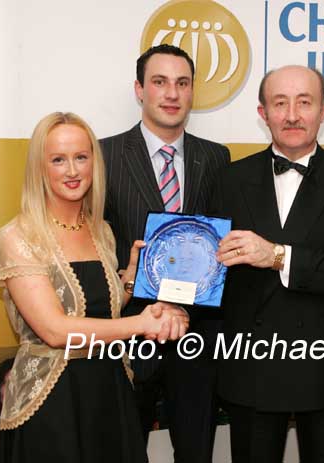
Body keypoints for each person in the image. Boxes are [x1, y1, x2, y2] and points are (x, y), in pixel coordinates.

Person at [211, 65, 324, 463]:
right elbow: (211, 267)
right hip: (249, 366)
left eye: (304, 102)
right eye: (280, 103)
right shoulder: (229, 179)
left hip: (323, 369)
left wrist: (276, 256)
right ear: (263, 112)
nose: (292, 114)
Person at [0, 112, 189, 462]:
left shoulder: (102, 230)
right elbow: (55, 330)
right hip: (53, 406)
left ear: (94, 164)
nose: (72, 170)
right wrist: (142, 324)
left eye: (81, 157)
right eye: (58, 159)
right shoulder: (18, 236)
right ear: (40, 168)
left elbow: (101, 308)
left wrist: (130, 275)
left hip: (109, 393)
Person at [100, 44, 230, 462]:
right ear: (140, 89)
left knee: (196, 451)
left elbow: (217, 248)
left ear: (192, 92)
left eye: (182, 83)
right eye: (160, 82)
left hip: (196, 333)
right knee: (123, 450)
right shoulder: (103, 156)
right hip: (130, 332)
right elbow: (93, 245)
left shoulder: (216, 157)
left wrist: (188, 309)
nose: (171, 93)